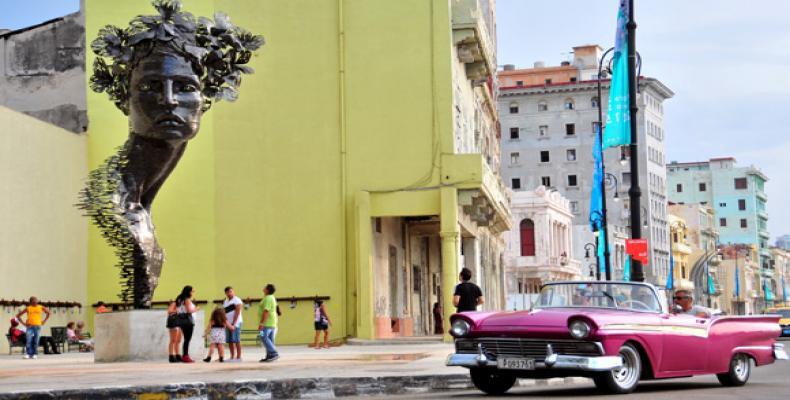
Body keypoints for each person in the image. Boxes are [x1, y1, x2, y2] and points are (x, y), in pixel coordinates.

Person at [175, 285, 199, 363]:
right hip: (188, 321)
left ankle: (184, 355)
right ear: (188, 291)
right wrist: (196, 309)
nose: (193, 293)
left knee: (186, 339)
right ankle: (185, 356)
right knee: (187, 339)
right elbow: (189, 311)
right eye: (192, 291)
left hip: (181, 320)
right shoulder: (187, 299)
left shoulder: (179, 299)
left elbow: (178, 309)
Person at [258, 284, 279, 362]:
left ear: (267, 290)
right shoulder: (271, 297)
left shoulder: (268, 298)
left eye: (265, 287)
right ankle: (269, 355)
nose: (263, 288)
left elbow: (266, 311)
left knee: (262, 337)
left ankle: (274, 353)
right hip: (271, 322)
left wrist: (261, 323)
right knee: (270, 339)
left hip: (267, 323)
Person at [222, 286, 243, 362]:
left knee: (236, 340)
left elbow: (237, 312)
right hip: (228, 323)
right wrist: (225, 322)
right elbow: (224, 312)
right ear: (226, 293)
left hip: (236, 323)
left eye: (231, 291)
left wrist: (234, 323)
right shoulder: (226, 301)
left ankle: (239, 357)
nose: (229, 293)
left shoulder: (237, 300)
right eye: (228, 292)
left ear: (233, 291)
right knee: (230, 340)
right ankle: (232, 357)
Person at [166, 298, 183, 363]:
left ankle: (177, 355)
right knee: (173, 340)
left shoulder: (182, 305)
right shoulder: (174, 303)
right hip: (174, 323)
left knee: (178, 340)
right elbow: (169, 311)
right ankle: (171, 356)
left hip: (179, 323)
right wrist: (177, 311)